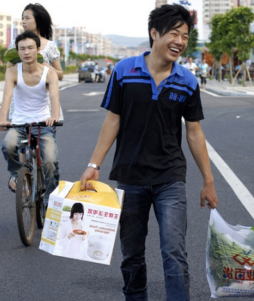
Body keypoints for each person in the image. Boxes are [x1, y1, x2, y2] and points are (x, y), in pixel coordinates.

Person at [79, 4, 218, 301]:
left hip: (170, 177)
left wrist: (208, 180)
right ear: (155, 34)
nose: (180, 41)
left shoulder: (188, 81)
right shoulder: (123, 71)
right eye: (174, 34)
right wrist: (94, 164)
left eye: (185, 36)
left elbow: (194, 132)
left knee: (174, 252)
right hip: (130, 177)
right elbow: (113, 120)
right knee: (131, 254)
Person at [0, 31, 60, 207]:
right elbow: (6, 97)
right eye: (22, 48)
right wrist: (3, 119)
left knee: (50, 161)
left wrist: (54, 117)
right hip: (18, 123)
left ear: (38, 49)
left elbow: (54, 98)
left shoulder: (49, 73)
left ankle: (50, 197)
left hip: (42, 124)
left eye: (30, 48)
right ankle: (19, 175)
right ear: (17, 52)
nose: (26, 52)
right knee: (7, 147)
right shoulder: (12, 72)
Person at [7, 3, 64, 121]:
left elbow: (60, 75)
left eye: (27, 18)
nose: (23, 21)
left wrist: (49, 69)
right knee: (18, 138)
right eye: (23, 18)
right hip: (21, 104)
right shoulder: (15, 44)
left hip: (44, 105)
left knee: (45, 137)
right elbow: (8, 70)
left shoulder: (50, 45)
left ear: (38, 20)